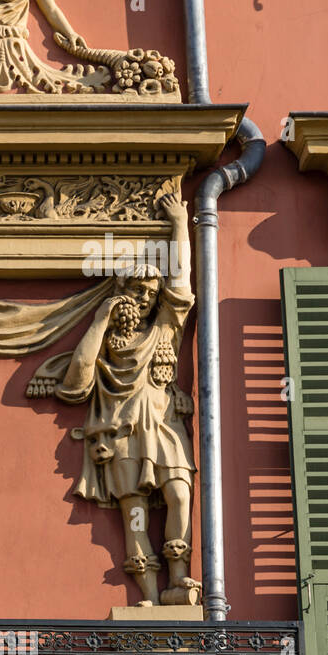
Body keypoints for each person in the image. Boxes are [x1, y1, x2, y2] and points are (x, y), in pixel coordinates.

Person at [54, 193, 198, 605]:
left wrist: (178, 223)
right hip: (119, 431)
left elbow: (182, 281)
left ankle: (178, 576)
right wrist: (100, 319)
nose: (146, 297)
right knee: (134, 514)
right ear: (121, 291)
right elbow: (77, 380)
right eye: (138, 289)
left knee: (179, 494)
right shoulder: (109, 339)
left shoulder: (166, 329)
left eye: (151, 290)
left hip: (164, 427)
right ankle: (150, 595)